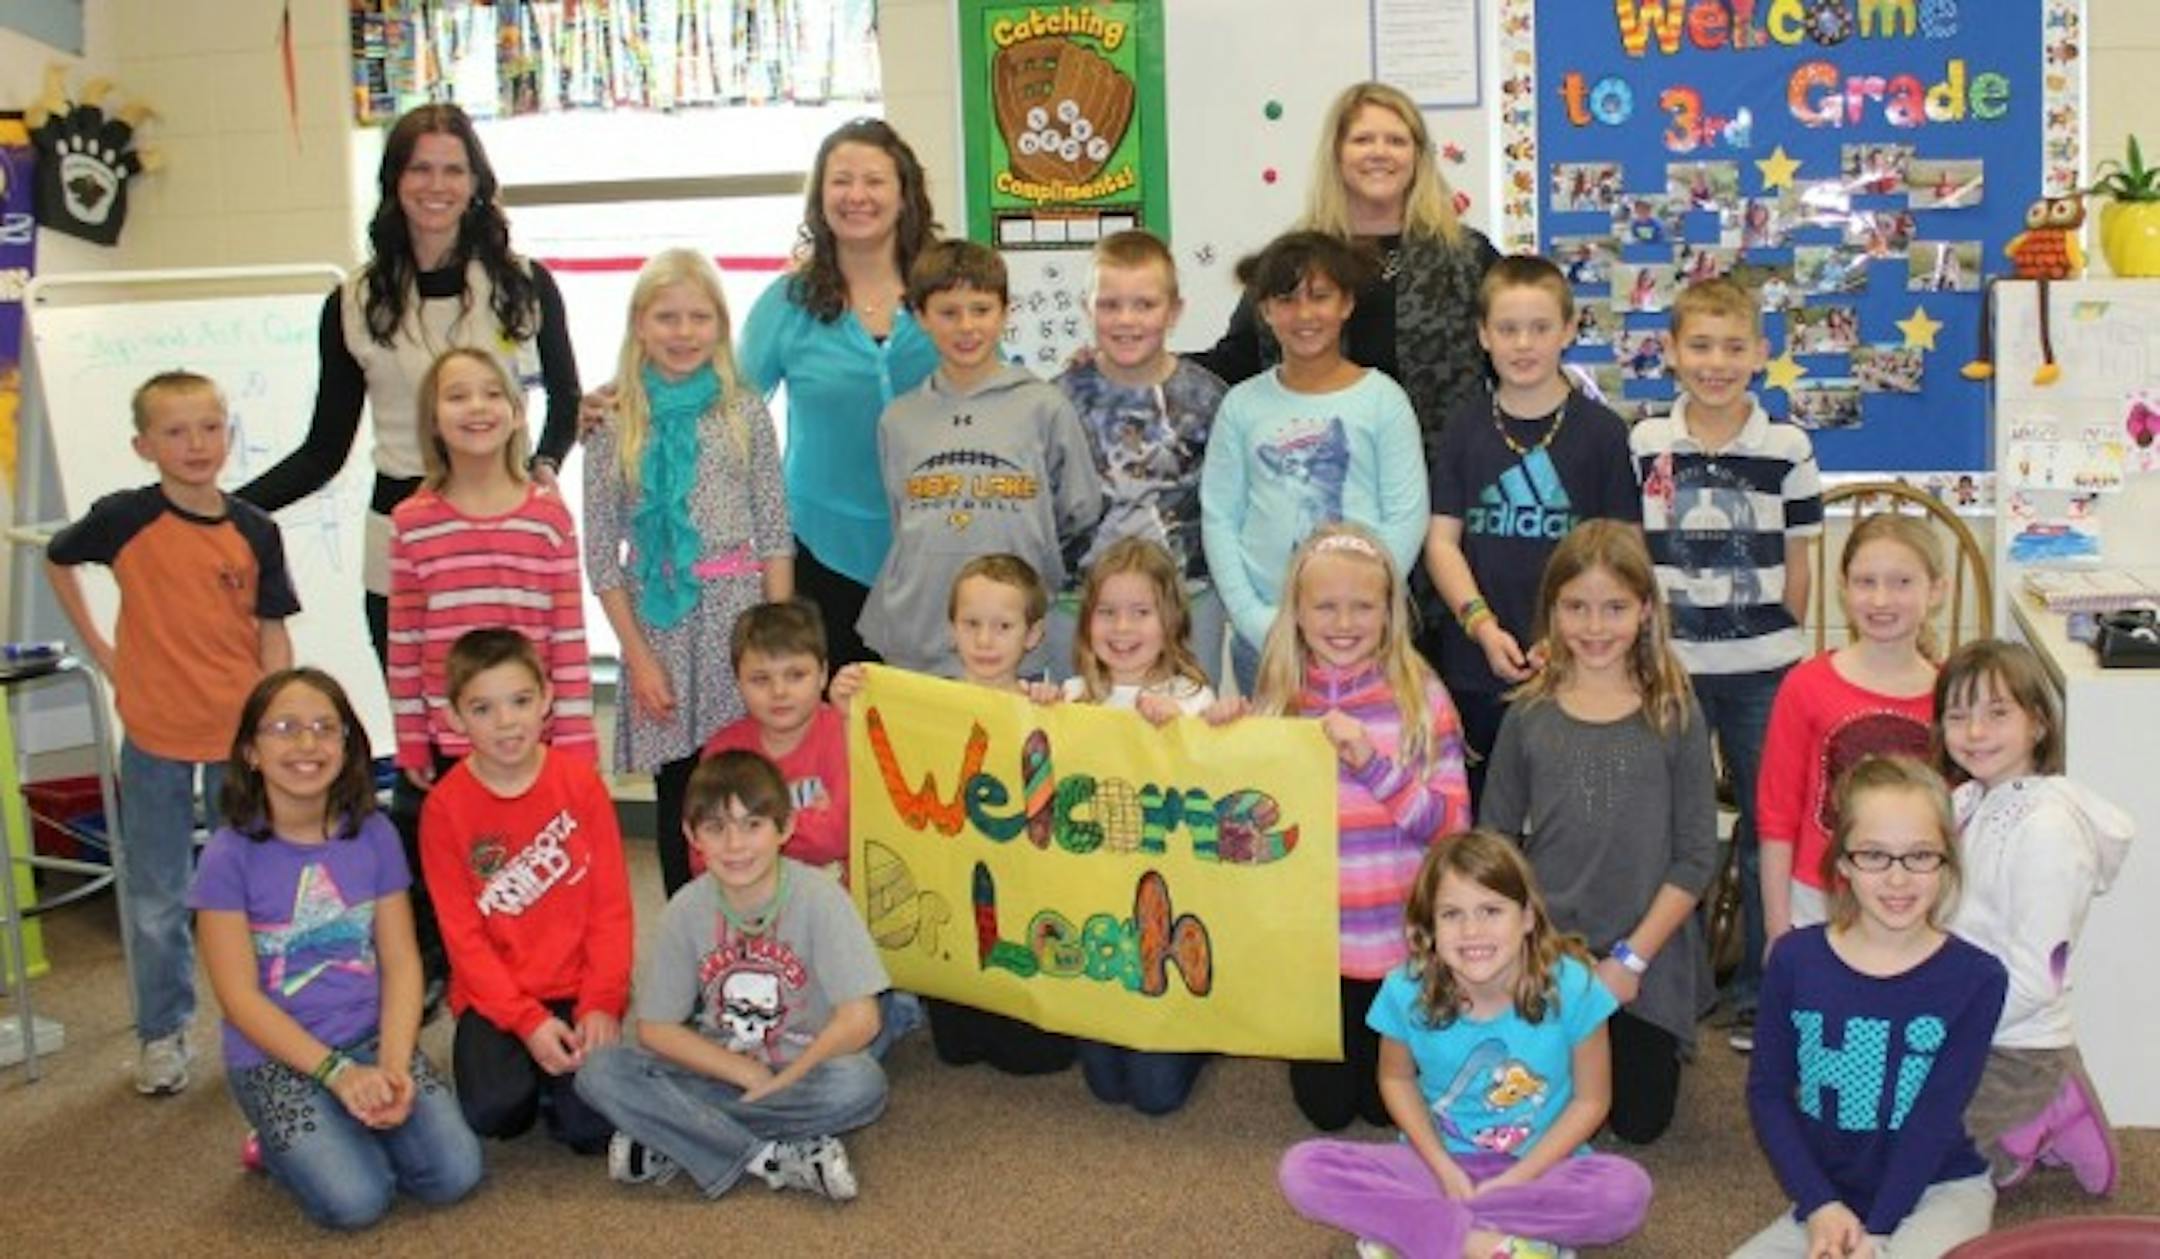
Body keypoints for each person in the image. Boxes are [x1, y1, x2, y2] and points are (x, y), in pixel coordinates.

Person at [237, 103, 578, 668]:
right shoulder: (353, 304)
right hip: (400, 535)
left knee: (512, 725)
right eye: (420, 169)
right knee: (422, 730)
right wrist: (221, 509)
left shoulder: (523, 285)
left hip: (502, 529)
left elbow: (564, 403)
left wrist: (544, 465)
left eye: (453, 170)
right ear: (395, 180)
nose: (436, 186)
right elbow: (323, 451)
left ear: (475, 183)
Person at [44, 369, 299, 1096]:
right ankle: (162, 1033)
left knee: (249, 889)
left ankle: (261, 1029)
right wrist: (101, 649)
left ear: (228, 433)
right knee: (158, 896)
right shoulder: (125, 517)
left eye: (210, 427)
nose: (197, 444)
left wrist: (271, 718)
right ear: (144, 444)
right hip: (154, 733)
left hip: (236, 741)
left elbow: (271, 631)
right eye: (177, 431)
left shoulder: (255, 528)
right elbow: (58, 558)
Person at [189, 668, 483, 1229]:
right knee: (357, 1202)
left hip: (371, 1037)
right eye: (285, 728)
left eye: (327, 728)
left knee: (454, 1175)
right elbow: (239, 1000)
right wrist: (337, 1075)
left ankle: (344, 1118)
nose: (307, 744)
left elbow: (400, 964)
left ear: (347, 747)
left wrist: (394, 1065)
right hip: (275, 1059)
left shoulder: (373, 834)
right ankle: (276, 1144)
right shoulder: (227, 856)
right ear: (251, 751)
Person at [1277, 830, 1653, 1259]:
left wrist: (1521, 1177)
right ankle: (1488, 1242)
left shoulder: (1575, 987)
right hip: (1436, 1163)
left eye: (1491, 910)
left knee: (1626, 1193)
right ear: (1429, 928)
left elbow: (1591, 1102)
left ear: (1528, 917)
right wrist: (1441, 1165)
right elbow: (1395, 1078)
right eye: (1451, 914)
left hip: (1543, 1165)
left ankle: (1420, 1231)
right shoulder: (1405, 990)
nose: (1472, 931)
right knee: (1303, 1171)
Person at [1206, 523, 1469, 1130]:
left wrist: (1372, 766)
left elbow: (1453, 829)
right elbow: (1240, 817)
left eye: (1363, 607)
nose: (1343, 623)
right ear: (1296, 613)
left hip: (1400, 947)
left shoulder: (1420, 698)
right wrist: (1223, 728)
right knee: (1325, 1110)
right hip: (1315, 950)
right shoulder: (1279, 699)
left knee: (1384, 1111)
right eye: (1326, 606)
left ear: (1389, 613)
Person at [1632, 276, 1822, 1051]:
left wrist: (1782, 639)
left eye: (1734, 346)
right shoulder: (1647, 442)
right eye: (1700, 346)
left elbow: (1804, 557)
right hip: (1673, 668)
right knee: (1676, 828)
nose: (1716, 362)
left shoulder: (1788, 447)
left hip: (1764, 668)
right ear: (1671, 352)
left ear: (1762, 354)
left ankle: (1756, 988)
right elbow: (1635, 555)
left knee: (1767, 823)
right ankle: (1680, 990)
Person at [1480, 521, 1716, 1144]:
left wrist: (1630, 960)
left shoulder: (1674, 709)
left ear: (1644, 610)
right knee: (1532, 1108)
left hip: (1645, 953)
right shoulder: (1528, 713)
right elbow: (1495, 841)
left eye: (1614, 608)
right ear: (1552, 612)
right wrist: (1524, 952)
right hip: (1550, 949)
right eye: (1575, 608)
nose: (1594, 627)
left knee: (1640, 1124)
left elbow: (1695, 858)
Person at [575, 750, 889, 1201]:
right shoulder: (685, 909)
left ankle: (675, 1137)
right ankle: (770, 1158)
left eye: (752, 825)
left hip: (802, 1071)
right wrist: (743, 1071)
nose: (735, 845)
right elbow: (655, 1028)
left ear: (785, 828)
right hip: (717, 1066)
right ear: (692, 835)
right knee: (599, 1070)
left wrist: (778, 1079)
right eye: (716, 828)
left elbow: (862, 1019)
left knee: (862, 1084)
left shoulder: (822, 899)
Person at [1735, 756, 2007, 1258]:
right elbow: (1768, 1093)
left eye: (1920, 855)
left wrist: (1878, 1232)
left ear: (1947, 859)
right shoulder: (1795, 959)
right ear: (1842, 862)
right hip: (1830, 1196)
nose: (1898, 879)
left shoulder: (1978, 978)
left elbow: (1933, 1118)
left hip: (1937, 1189)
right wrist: (1819, 1205)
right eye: (1874, 856)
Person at [585, 248, 794, 899]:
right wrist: (638, 658)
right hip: (661, 630)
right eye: (666, 317)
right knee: (682, 796)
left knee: (749, 785)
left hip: (737, 625)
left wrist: (775, 643)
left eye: (698, 317)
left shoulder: (743, 410)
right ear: (639, 325)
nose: (683, 332)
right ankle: (688, 936)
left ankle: (758, 932)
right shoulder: (612, 420)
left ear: (721, 326)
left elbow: (774, 531)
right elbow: (600, 558)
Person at [840, 555, 1080, 1075]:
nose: (986, 641)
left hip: (1020, 902)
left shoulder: (1040, 705)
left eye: (1003, 627)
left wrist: (1052, 709)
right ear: (952, 629)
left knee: (1037, 1058)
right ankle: (928, 1002)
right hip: (953, 907)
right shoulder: (927, 704)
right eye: (972, 624)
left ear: (1034, 634)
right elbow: (877, 747)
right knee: (957, 1048)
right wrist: (847, 702)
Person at [1422, 256, 1639, 807]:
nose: (1524, 344)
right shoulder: (1464, 429)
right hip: (1478, 663)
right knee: (1488, 817)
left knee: (1569, 815)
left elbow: (1624, 554)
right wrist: (1481, 626)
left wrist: (1568, 636)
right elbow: (1441, 543)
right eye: (1507, 329)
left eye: (1540, 328)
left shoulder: (1604, 434)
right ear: (1482, 335)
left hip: (1581, 663)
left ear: (1568, 330)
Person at [1195, 81, 1496, 467]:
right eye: (1363, 139)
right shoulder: (1296, 257)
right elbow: (1236, 361)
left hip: (1447, 489)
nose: (1379, 152)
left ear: (1418, 155)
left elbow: (1510, 359)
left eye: (1396, 141)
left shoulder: (1468, 256)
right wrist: (1138, 363)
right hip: (1323, 486)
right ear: (1336, 153)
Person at [418, 630, 631, 1155]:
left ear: (547, 700)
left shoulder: (580, 784)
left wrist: (601, 1003)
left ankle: (557, 1084)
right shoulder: (444, 810)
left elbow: (612, 909)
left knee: (590, 1129)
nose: (507, 722)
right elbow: (463, 940)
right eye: (483, 708)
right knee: (496, 1112)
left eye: (520, 701)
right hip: (496, 999)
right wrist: (527, 1023)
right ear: (454, 718)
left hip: (578, 989)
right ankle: (533, 1076)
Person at [739, 118, 942, 668]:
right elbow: (725, 406)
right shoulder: (787, 302)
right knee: (831, 730)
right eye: (841, 180)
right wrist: (632, 398)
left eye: (874, 181)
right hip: (817, 548)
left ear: (904, 196)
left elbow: (996, 385)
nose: (857, 196)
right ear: (819, 197)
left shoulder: (944, 291)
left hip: (935, 549)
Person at [1935, 640, 2133, 1196]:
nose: (1975, 732)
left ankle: (2046, 1109)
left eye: (1997, 713)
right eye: (1958, 715)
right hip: (1965, 1023)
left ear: (2039, 724)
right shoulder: (1966, 801)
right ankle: (2039, 1112)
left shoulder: (2046, 830)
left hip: (2015, 1045)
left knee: (1926, 1166)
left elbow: (2038, 978)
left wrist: (1948, 1027)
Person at [857, 239, 1102, 677]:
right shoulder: (899, 419)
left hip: (1011, 643)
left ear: (1005, 311)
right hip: (920, 637)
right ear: (920, 317)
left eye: (981, 309)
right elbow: (902, 518)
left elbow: (1078, 511)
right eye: (949, 312)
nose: (966, 326)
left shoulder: (1044, 407)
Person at [1200, 231, 1430, 694]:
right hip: (1265, 637)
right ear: (1264, 310)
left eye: (1320, 297)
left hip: (1366, 638)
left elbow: (1406, 516)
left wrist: (1366, 609)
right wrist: (1252, 618)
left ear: (1346, 304)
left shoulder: (1383, 399)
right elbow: (1220, 517)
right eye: (1286, 300)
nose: (1305, 315)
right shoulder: (1242, 405)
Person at [1057, 537, 1218, 1114]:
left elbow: (1218, 783)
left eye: (1140, 612)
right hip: (1097, 918)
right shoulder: (1072, 698)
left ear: (1170, 620)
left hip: (1166, 906)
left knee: (1155, 1096)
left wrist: (1184, 732)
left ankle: (1204, 1033)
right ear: (1087, 623)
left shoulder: (1191, 697)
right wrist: (1032, 711)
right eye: (1107, 612)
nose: (1122, 628)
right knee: (1104, 1085)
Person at [389, 348, 595, 783]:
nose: (477, 407)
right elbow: (405, 644)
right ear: (433, 420)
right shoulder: (411, 523)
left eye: (492, 393)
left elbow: (568, 639)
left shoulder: (549, 519)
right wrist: (410, 740)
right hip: (453, 740)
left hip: (536, 738)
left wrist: (577, 741)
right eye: (458, 396)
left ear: (518, 413)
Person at [1759, 513, 1945, 961]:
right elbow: (1776, 816)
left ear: (1936, 590)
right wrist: (1777, 929)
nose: (1881, 599)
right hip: (1816, 896)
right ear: (1843, 588)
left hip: (1918, 899)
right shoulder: (1805, 686)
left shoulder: (1950, 696)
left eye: (1902, 582)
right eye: (1866, 582)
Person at [1050, 230, 1228, 685]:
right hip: (1080, 602)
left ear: (1174, 311)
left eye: (1145, 305)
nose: (1127, 320)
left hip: (1187, 601)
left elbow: (1228, 508)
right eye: (1109, 305)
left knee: (1183, 737)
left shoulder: (1209, 398)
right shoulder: (1057, 400)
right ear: (1087, 307)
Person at [701, 601, 852, 882]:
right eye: (760, 679)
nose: (779, 691)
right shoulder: (723, 750)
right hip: (747, 907)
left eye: (796, 676)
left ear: (823, 675)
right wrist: (809, 822)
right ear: (738, 682)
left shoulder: (844, 734)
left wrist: (752, 832)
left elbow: (837, 837)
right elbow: (704, 855)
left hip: (833, 909)